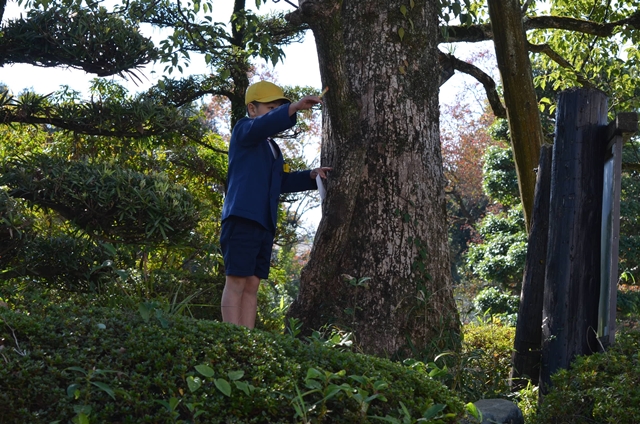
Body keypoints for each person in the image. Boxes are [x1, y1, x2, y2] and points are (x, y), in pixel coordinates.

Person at [220, 81, 331, 328]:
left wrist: (311, 176)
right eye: (270, 108)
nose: (275, 113)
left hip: (264, 222)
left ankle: (248, 338)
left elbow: (280, 182)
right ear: (252, 109)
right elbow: (261, 126)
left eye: (277, 108)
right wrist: (293, 107)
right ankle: (230, 336)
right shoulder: (243, 130)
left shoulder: (272, 148)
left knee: (252, 284)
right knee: (236, 280)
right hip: (242, 217)